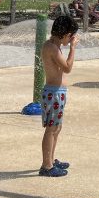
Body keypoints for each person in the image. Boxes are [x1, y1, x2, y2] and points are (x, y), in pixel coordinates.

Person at [39, 15, 80, 177]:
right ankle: (46, 166)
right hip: (53, 94)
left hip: (57, 93)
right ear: (65, 33)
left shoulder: (54, 46)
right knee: (51, 129)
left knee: (56, 128)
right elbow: (67, 68)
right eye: (70, 36)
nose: (70, 40)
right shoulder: (52, 48)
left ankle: (51, 159)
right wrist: (73, 48)